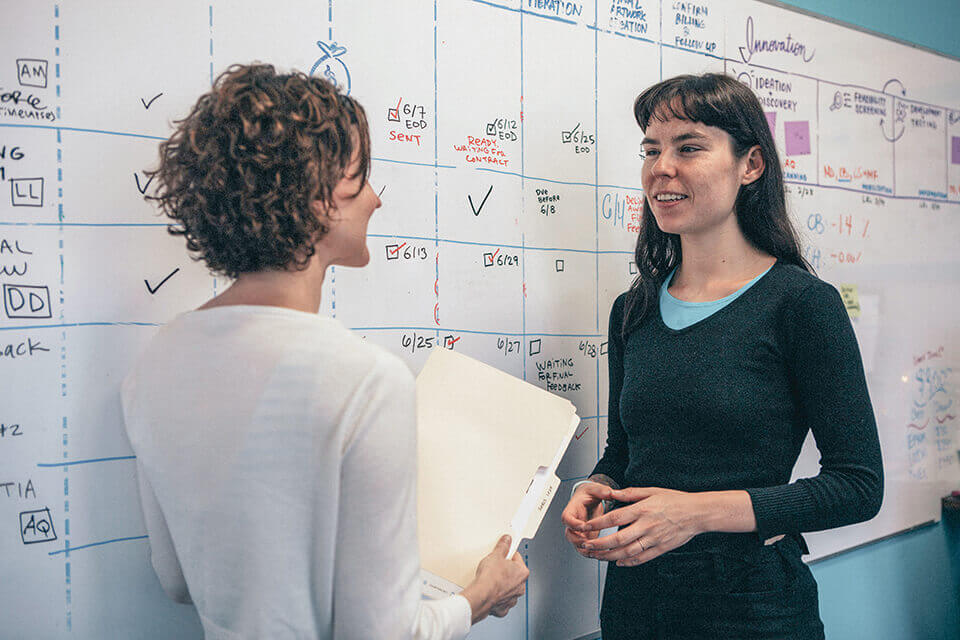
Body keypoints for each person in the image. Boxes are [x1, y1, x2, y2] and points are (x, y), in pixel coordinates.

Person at [121, 64, 528, 640]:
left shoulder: (158, 357)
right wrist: (480, 597)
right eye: (360, 179)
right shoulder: (362, 379)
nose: (376, 200)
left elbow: (177, 580)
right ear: (316, 202)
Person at [561, 73, 883, 639]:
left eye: (688, 148)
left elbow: (857, 486)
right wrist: (597, 485)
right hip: (636, 605)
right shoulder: (631, 310)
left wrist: (694, 513)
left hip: (752, 607)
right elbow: (627, 449)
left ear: (751, 165)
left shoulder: (802, 304)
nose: (662, 168)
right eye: (651, 150)